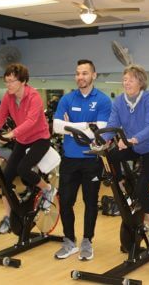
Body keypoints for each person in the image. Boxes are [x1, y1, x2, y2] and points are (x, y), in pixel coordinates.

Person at [0, 63, 57, 234]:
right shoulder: (8, 98)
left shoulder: (34, 96)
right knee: (5, 177)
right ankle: (9, 217)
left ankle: (47, 189)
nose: (8, 85)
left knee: (23, 169)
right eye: (6, 81)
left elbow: (31, 121)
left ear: (23, 81)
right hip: (23, 140)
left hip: (39, 139)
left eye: (11, 81)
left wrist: (12, 133)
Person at [52, 59, 111, 260]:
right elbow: (56, 127)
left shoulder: (103, 100)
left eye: (85, 73)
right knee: (66, 201)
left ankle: (87, 240)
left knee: (90, 202)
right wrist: (86, 125)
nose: (80, 77)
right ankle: (69, 241)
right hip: (69, 159)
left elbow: (98, 133)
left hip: (91, 160)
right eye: (77, 73)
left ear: (94, 75)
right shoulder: (66, 99)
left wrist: (71, 127)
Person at [105, 64, 149, 256]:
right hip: (133, 146)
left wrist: (133, 139)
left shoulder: (148, 98)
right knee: (111, 155)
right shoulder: (119, 101)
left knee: (142, 188)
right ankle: (124, 185)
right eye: (124, 80)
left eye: (130, 79)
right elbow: (112, 124)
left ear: (140, 81)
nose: (126, 83)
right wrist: (101, 140)